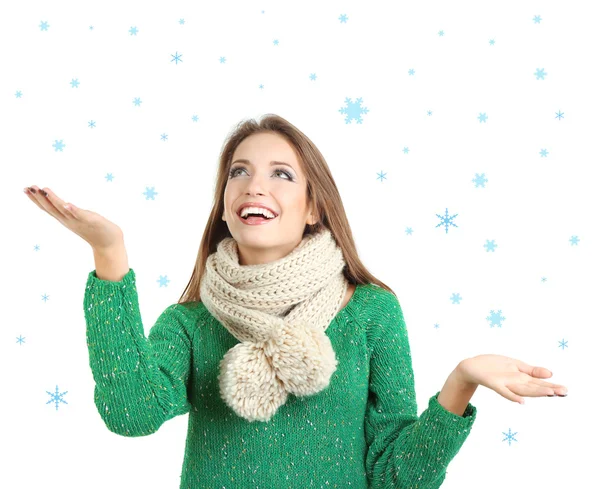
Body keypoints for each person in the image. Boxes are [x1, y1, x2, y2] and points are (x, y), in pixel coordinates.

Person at [23, 114, 567, 488]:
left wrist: (460, 382)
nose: (253, 185)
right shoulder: (190, 322)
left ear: (313, 207)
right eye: (239, 172)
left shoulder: (371, 312)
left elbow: (396, 477)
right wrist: (109, 253)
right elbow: (129, 413)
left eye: (281, 174)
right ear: (224, 204)